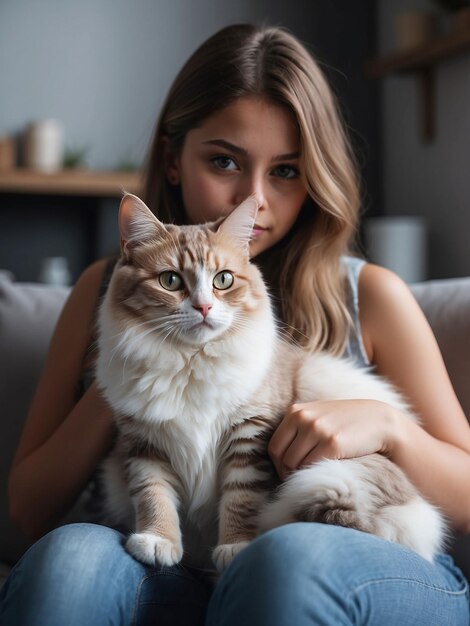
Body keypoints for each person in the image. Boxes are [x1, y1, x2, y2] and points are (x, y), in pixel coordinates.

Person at [1, 23, 469, 626]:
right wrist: (131, 373)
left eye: (286, 170)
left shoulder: (370, 293)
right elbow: (29, 509)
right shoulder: (104, 291)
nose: (253, 198)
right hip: (169, 558)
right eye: (225, 161)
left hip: (341, 554)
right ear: (173, 161)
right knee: (68, 565)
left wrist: (388, 427)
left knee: (281, 565)